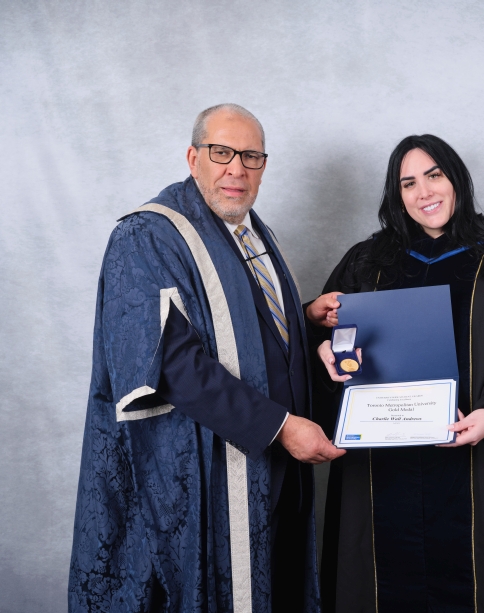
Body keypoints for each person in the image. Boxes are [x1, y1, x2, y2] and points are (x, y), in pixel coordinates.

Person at [68, 103, 344, 613]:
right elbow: (170, 363)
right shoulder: (146, 237)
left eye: (251, 156)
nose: (236, 168)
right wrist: (283, 428)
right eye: (222, 152)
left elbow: (235, 326)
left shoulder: (252, 234)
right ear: (193, 157)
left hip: (275, 470)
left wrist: (302, 319)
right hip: (198, 478)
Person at [309, 134, 484, 613]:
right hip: (379, 470)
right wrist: (324, 346)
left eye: (434, 175)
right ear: (396, 195)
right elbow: (329, 340)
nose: (424, 192)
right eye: (408, 183)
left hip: (476, 463)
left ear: (456, 180)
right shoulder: (368, 263)